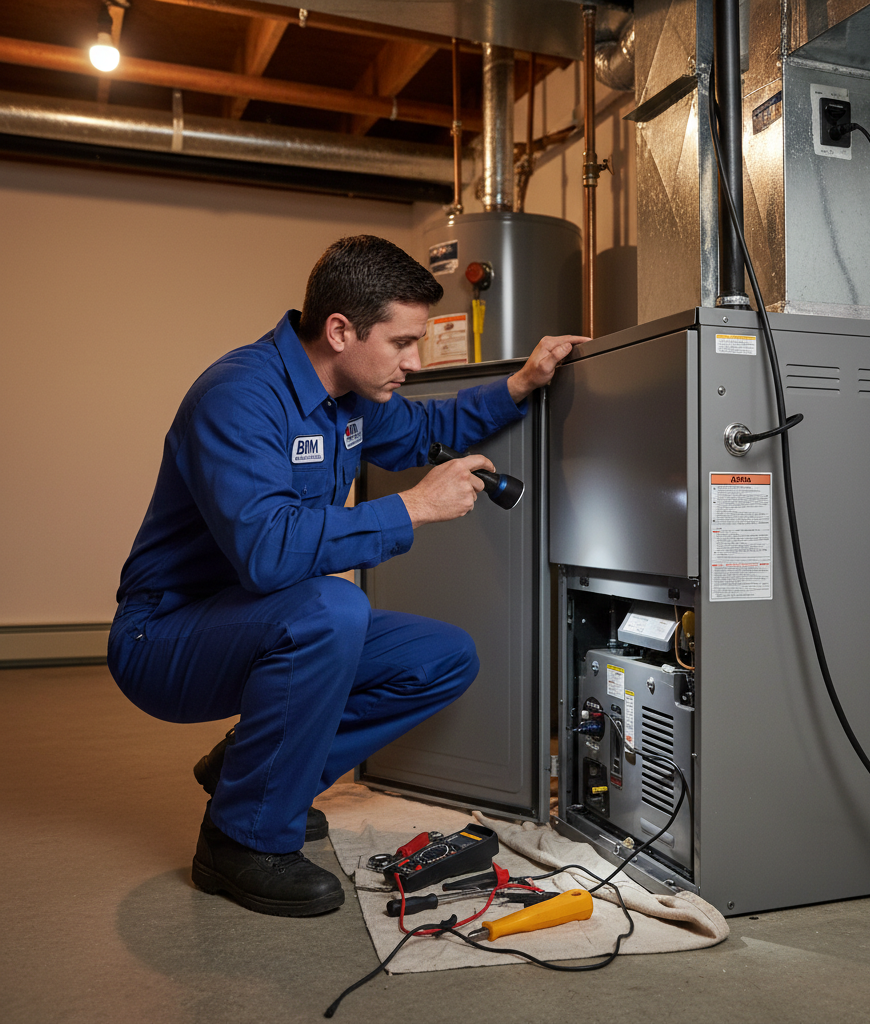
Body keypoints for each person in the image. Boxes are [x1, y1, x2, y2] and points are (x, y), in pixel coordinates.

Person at [107, 234, 585, 917]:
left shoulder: (350, 399)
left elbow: (426, 429)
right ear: (340, 331)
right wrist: (413, 507)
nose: (414, 362)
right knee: (332, 609)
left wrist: (521, 384)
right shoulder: (239, 396)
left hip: (260, 618)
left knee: (442, 658)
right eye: (402, 343)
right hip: (163, 637)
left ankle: (252, 773)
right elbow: (268, 553)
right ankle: (239, 841)